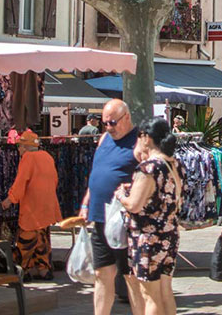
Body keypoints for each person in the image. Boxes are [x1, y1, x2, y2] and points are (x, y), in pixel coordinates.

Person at [114, 118, 183, 315]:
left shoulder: (148, 168)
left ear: (146, 137)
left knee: (149, 294)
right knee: (165, 291)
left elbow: (134, 205)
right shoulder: (174, 165)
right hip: (169, 234)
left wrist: (121, 195)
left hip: (147, 238)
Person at [79, 99, 142, 315]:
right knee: (102, 273)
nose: (108, 127)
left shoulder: (139, 142)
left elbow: (150, 176)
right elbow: (97, 171)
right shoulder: (104, 138)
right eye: (105, 122)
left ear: (127, 117)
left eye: (113, 122)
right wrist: (86, 202)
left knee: (130, 277)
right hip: (100, 215)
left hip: (125, 220)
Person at [0, 129, 62, 280]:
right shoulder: (47, 157)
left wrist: (9, 201)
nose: (18, 150)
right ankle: (44, 269)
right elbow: (55, 180)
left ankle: (24, 270)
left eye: (19, 146)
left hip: (32, 208)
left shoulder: (28, 158)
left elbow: (21, 183)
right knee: (42, 238)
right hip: (47, 205)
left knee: (26, 240)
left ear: (25, 147)